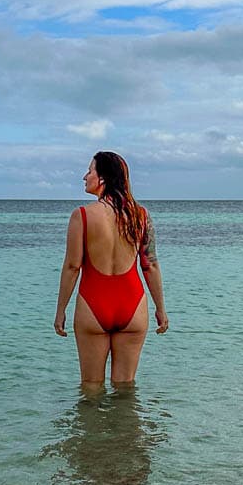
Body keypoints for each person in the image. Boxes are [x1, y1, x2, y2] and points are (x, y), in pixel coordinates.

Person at [54, 151, 168, 389]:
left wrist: (61, 310)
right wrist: (160, 309)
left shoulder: (82, 216)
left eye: (90, 171)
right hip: (133, 306)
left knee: (91, 388)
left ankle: (90, 427)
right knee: (125, 389)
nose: (85, 177)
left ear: (102, 178)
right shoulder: (141, 215)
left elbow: (73, 266)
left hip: (93, 306)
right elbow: (150, 264)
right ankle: (125, 426)